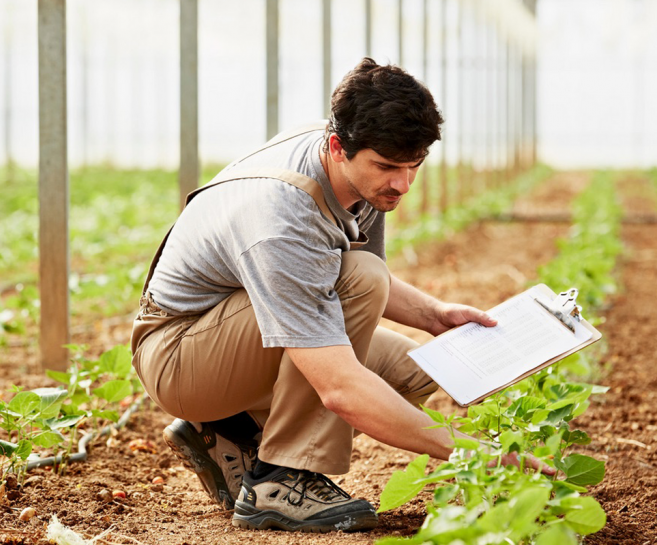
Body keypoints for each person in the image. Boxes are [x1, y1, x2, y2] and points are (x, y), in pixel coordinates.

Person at [130, 58, 551, 534]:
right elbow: (341, 385)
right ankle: (281, 481)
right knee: (363, 290)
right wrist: (472, 451)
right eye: (388, 167)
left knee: (414, 370)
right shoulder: (283, 217)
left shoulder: (354, 172)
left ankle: (234, 432)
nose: (402, 184)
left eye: (414, 166)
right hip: (181, 355)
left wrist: (434, 315)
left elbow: (343, 272)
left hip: (227, 336)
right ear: (338, 146)